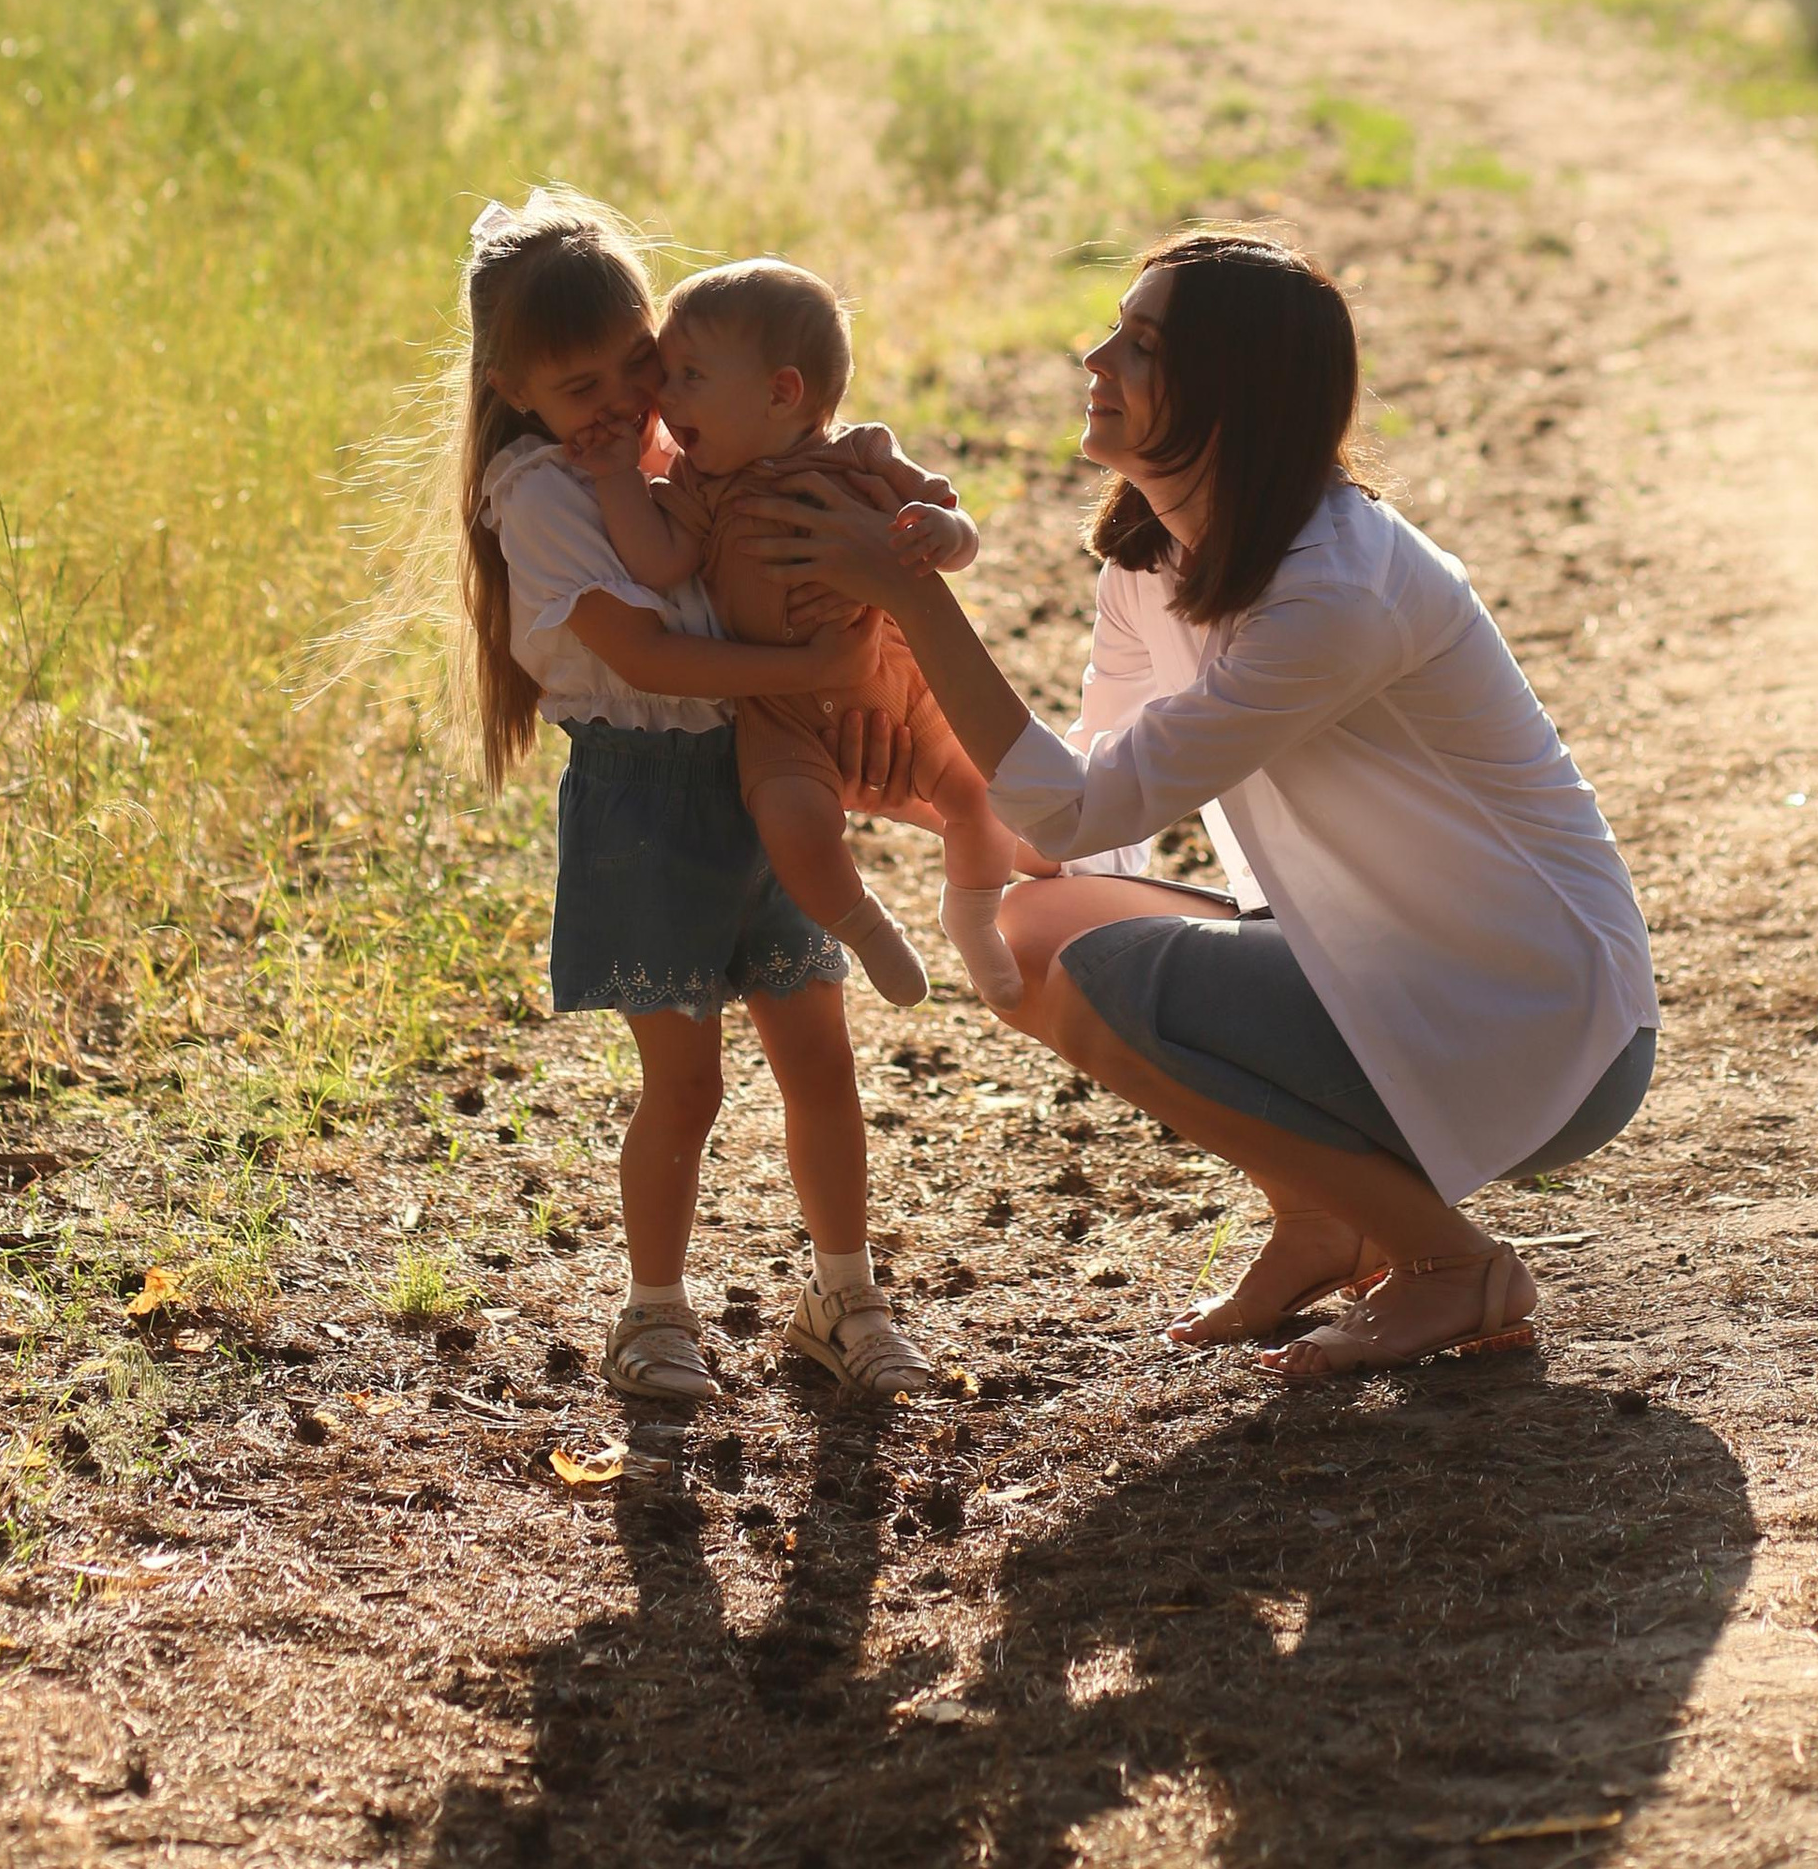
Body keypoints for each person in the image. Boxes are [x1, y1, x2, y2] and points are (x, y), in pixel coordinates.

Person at [751, 231, 1659, 1379]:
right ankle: (1326, 1221)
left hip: (1541, 1018)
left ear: (1232, 395)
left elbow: (1080, 812)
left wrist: (911, 599)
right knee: (1030, 936)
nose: (1092, 358)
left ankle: (1454, 1266)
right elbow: (1080, 825)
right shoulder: (1150, 557)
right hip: (1383, 968)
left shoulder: (1331, 593)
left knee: (1102, 981)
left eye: (1138, 346)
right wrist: (935, 796)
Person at [449, 188, 940, 1403]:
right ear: (515, 391)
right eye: (582, 391)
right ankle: (653, 1314)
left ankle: (843, 1295)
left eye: (639, 366)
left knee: (819, 1057)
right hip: (645, 804)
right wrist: (811, 669)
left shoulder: (679, 449)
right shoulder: (541, 497)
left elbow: (785, 489)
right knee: (688, 1082)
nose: (624, 405)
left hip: (749, 771)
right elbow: (647, 656)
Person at [572, 255, 1050, 1011]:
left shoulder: (861, 455)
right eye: (665, 375)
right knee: (792, 823)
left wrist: (945, 531)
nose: (663, 396)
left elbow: (952, 524)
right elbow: (659, 562)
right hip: (780, 709)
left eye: (689, 376)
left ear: (781, 391)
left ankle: (972, 914)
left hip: (894, 680)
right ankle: (864, 927)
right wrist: (614, 479)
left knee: (979, 795)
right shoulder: (701, 486)